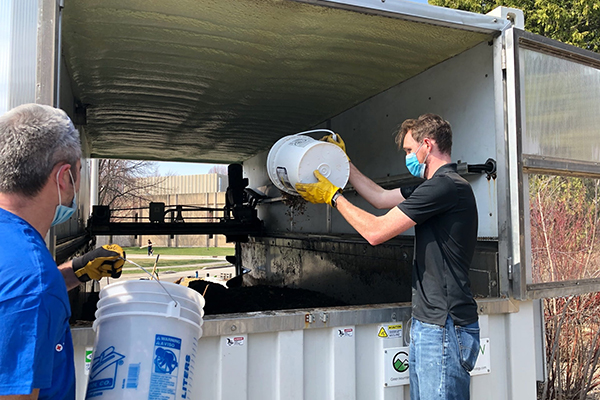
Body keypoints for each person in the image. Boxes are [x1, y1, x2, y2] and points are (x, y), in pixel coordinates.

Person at [296, 114, 480, 400]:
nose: (407, 157)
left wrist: (334, 197)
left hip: (444, 326)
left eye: (409, 150)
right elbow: (380, 198)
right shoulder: (432, 188)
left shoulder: (445, 187)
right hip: (430, 324)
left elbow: (375, 231)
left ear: (427, 145)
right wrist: (343, 163)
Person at [0, 104, 125, 400]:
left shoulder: (22, 267)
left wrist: (76, 271)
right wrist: (46, 282)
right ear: (64, 177)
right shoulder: (33, 282)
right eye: (80, 172)